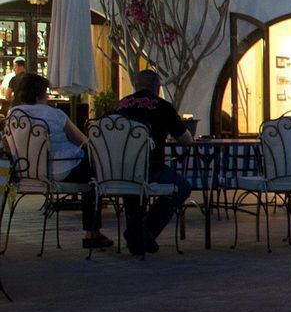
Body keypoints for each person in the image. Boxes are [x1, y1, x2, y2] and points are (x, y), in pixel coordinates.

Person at [6, 73, 112, 249]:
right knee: (96, 174)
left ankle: (93, 232)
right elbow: (83, 142)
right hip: (62, 169)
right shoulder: (55, 114)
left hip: (28, 173)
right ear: (40, 94)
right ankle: (91, 232)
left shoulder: (13, 115)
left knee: (92, 172)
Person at [111, 70, 193, 257]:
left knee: (133, 188)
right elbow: (186, 139)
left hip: (120, 170)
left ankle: (137, 233)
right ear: (158, 88)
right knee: (182, 187)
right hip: (150, 168)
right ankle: (144, 232)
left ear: (135, 86)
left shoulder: (121, 105)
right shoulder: (162, 106)